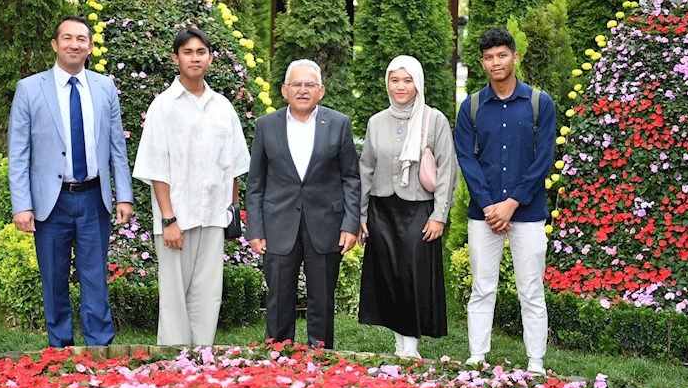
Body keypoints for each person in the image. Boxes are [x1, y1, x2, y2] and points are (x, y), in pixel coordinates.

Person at [8, 15, 134, 348]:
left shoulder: (105, 87)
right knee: (54, 278)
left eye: (81, 39)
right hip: (51, 203)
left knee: (95, 278)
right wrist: (21, 205)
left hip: (94, 198)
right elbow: (18, 153)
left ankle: (99, 347)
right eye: (67, 38)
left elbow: (116, 147)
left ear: (90, 46)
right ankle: (59, 349)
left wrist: (124, 196)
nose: (74, 44)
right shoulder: (29, 89)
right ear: (55, 44)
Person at [133, 28, 250, 346]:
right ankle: (173, 361)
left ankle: (202, 358)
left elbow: (234, 164)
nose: (195, 57)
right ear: (176, 58)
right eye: (188, 52)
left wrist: (233, 210)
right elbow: (157, 167)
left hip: (214, 215)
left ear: (210, 58)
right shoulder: (163, 107)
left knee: (208, 293)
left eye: (201, 52)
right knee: (174, 296)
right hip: (177, 219)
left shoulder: (223, 108)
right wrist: (168, 219)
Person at [454, 27, 556, 374]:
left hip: (527, 213)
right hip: (483, 213)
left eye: (501, 55)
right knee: (483, 286)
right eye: (488, 57)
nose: (495, 62)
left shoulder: (540, 103)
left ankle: (536, 361)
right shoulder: (471, 107)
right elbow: (467, 159)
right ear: (482, 63)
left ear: (515, 57)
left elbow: (544, 159)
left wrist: (512, 203)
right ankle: (477, 355)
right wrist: (487, 206)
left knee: (531, 288)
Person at [246, 59, 361, 349]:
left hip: (325, 225)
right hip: (278, 225)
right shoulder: (266, 126)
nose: (302, 90)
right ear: (284, 90)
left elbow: (351, 178)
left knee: (322, 297)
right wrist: (255, 229)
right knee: (279, 297)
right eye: (296, 84)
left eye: (310, 84)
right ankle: (278, 354)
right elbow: (256, 183)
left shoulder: (338, 124)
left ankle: (320, 357)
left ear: (321, 91)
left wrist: (350, 225)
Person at [358, 55, 458, 358]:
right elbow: (366, 170)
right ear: (387, 83)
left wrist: (440, 215)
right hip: (382, 209)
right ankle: (399, 345)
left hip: (418, 210)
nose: (401, 86)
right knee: (388, 275)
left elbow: (447, 170)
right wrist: (361, 215)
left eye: (407, 79)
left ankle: (411, 346)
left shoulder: (434, 119)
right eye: (394, 79)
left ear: (418, 83)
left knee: (412, 275)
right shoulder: (377, 122)